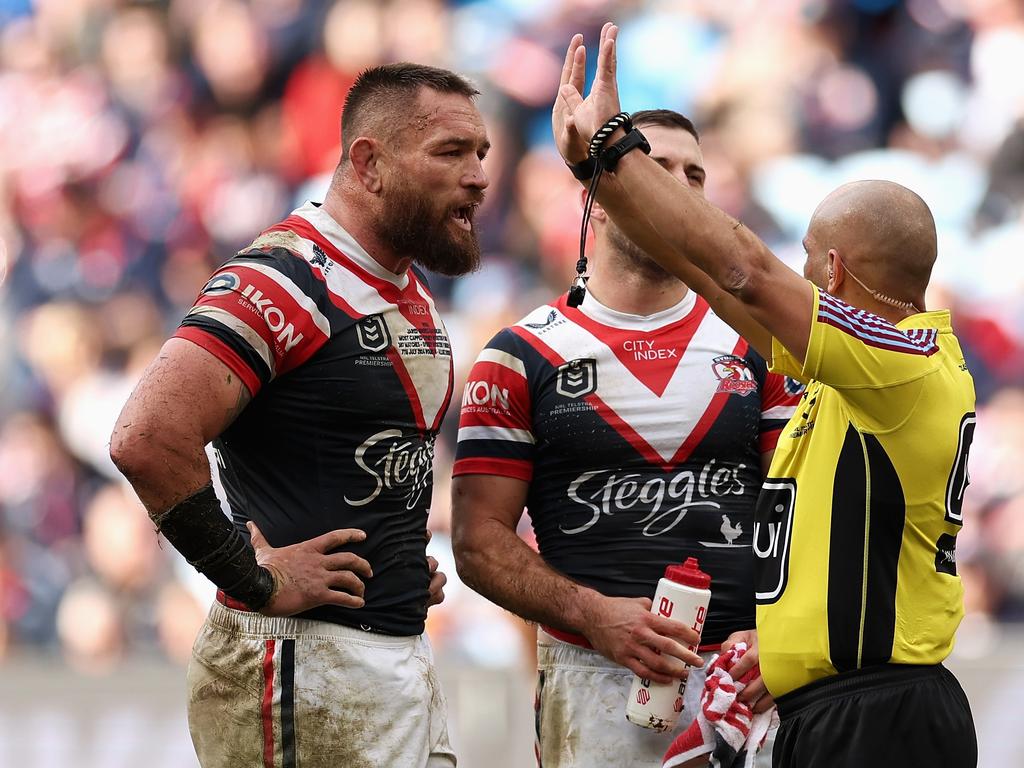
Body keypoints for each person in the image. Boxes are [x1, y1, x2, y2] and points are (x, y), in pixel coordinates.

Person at [550, 24, 978, 768]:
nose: (798, 277)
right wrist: (601, 175)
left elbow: (744, 268)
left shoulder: (900, 361)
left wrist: (618, 145)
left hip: (880, 714)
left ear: (835, 271)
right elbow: (714, 277)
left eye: (808, 262)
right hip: (832, 708)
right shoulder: (853, 374)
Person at [109, 62, 491, 768]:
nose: (477, 176)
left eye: (481, 154)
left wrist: (401, 562)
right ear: (368, 163)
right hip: (300, 667)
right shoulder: (286, 277)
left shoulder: (406, 288)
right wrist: (250, 575)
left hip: (390, 659)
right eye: (450, 152)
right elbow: (146, 438)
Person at [451, 108, 799, 767]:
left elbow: (807, 513)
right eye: (653, 167)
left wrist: (784, 631)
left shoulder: (764, 347)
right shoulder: (519, 354)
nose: (676, 187)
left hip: (752, 681)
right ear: (598, 197)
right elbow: (477, 544)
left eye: (694, 175)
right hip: (591, 680)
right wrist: (592, 615)